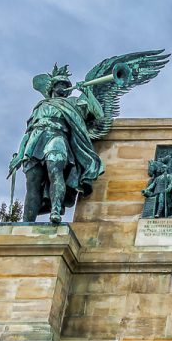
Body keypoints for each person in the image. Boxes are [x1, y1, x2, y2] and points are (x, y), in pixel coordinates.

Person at [9, 65, 104, 224]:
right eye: (60, 84)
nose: (63, 88)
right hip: (36, 139)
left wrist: (87, 93)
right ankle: (27, 222)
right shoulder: (40, 105)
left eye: (66, 85)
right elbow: (28, 132)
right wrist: (19, 154)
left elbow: (99, 114)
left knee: (55, 170)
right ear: (53, 87)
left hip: (58, 136)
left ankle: (55, 211)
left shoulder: (74, 103)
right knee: (32, 182)